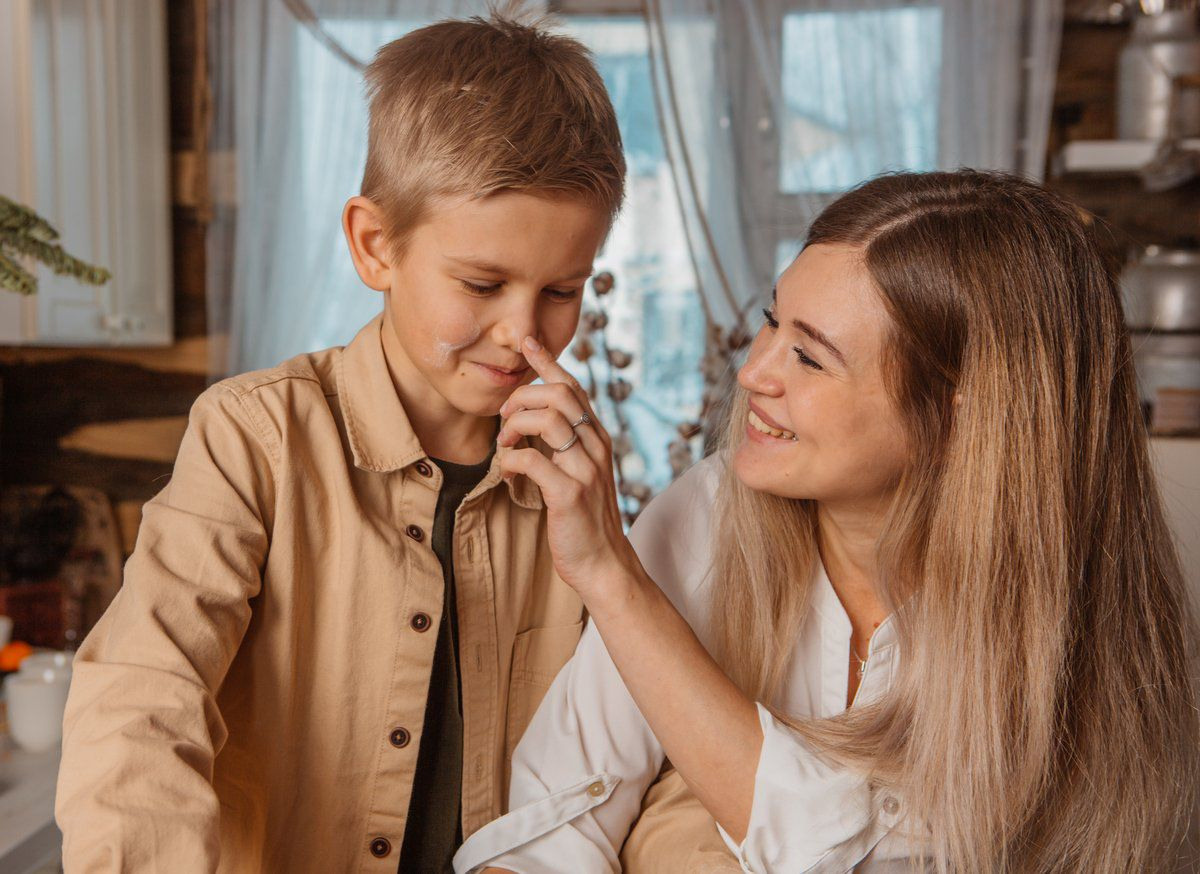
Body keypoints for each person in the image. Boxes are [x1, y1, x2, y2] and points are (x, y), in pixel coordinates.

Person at [455, 170, 1200, 873]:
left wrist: (614, 583)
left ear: (959, 408)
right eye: (773, 322)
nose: (755, 374)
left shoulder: (1064, 616)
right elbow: (556, 820)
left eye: (810, 358)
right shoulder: (702, 516)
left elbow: (853, 855)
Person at [55, 14, 631, 872]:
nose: (522, 333)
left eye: (562, 290)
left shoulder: (574, 475)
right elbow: (144, 692)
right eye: (482, 283)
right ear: (374, 245)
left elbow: (632, 744)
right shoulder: (255, 434)